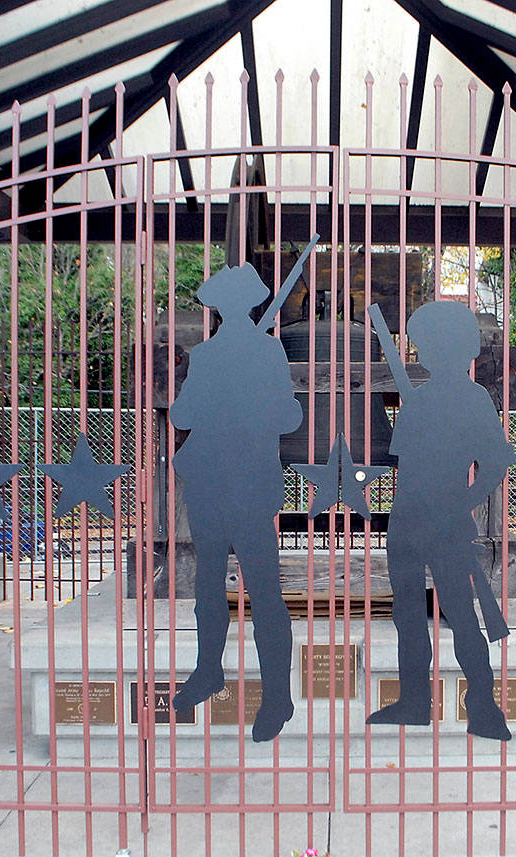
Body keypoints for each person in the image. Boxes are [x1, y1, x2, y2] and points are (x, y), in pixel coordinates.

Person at [367, 301, 514, 740]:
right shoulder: (422, 401)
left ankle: (483, 706)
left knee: (461, 615)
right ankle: (414, 701)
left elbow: (495, 461)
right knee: (408, 614)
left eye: (429, 343)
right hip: (409, 520)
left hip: (445, 521)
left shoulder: (473, 398)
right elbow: (403, 464)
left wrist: (462, 502)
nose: (423, 352)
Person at [168, 263, 303, 742]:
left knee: (258, 589)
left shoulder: (264, 354)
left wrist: (238, 402)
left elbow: (287, 417)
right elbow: (183, 413)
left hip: (241, 478)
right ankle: (211, 672)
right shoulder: (212, 357)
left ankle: (278, 697)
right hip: (217, 478)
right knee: (217, 582)